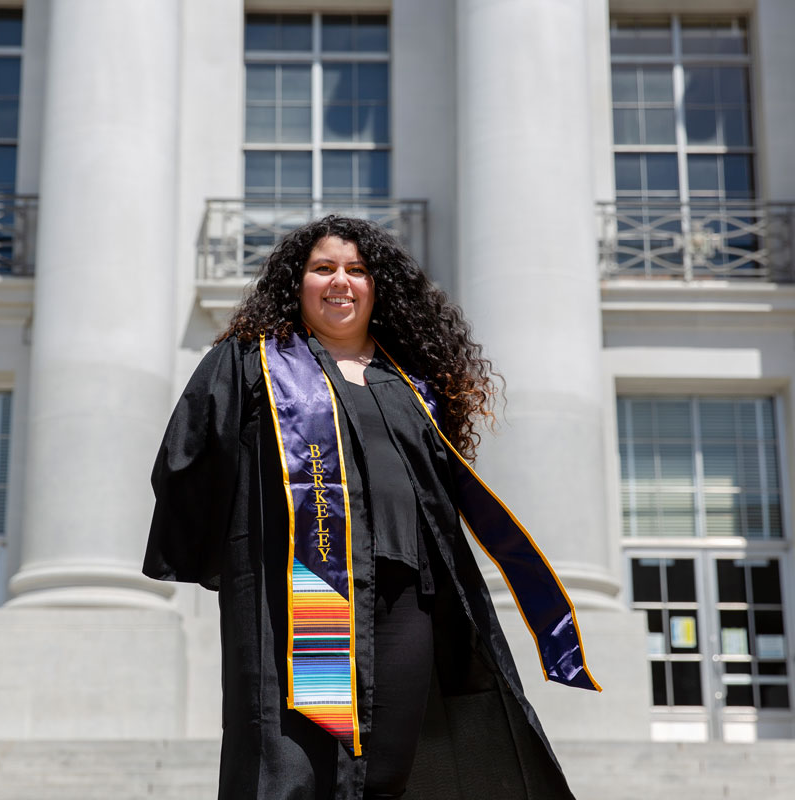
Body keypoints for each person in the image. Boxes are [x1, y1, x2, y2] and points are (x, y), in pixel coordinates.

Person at [143, 216, 596, 800]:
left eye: (357, 271)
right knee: (294, 768)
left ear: (378, 287)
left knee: (387, 767)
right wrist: (237, 552)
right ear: (296, 282)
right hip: (303, 595)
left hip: (405, 596)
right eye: (323, 268)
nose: (341, 282)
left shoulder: (411, 384)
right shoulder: (252, 364)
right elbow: (187, 459)